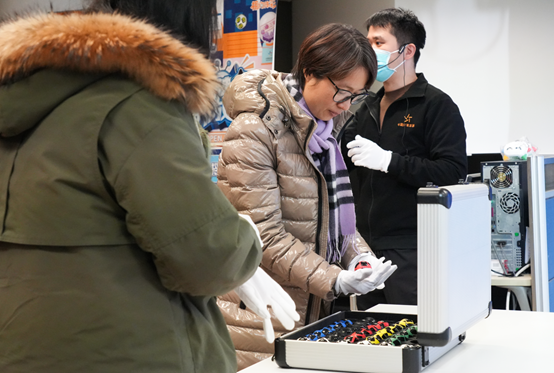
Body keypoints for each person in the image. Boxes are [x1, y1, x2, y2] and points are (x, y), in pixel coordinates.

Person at [0, 1, 298, 372]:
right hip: (130, 349)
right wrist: (245, 240)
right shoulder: (138, 103)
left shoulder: (24, 100)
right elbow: (204, 252)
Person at [216, 23, 397, 370]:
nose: (346, 105)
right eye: (343, 92)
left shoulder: (323, 132)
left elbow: (332, 221)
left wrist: (358, 259)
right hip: (261, 321)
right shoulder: (256, 131)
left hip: (312, 313)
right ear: (311, 72)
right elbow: (263, 238)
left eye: (355, 96)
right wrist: (335, 279)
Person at [342, 8, 468, 310]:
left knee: (412, 334)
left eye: (378, 43)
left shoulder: (436, 105)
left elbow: (452, 172)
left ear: (407, 50)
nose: (369, 51)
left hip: (412, 247)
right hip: (365, 248)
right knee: (371, 336)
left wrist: (389, 161)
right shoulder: (364, 105)